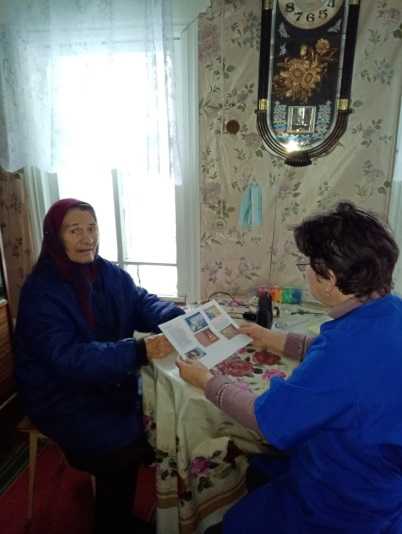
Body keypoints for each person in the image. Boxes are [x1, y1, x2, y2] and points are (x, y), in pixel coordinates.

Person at [177, 202, 402, 534]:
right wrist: (274, 339)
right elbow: (348, 359)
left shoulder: (341, 353)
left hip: (341, 505)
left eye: (307, 264)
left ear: (330, 279)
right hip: (385, 488)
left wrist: (208, 380)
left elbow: (267, 419)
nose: (306, 272)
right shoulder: (390, 309)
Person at [15, 198, 184, 534]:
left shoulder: (107, 272)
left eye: (91, 228)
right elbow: (68, 358)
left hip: (102, 380)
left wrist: (178, 319)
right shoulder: (41, 290)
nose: (87, 238)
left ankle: (116, 514)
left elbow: (141, 302)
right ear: (55, 237)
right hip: (59, 395)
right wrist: (138, 351)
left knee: (147, 429)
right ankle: (111, 524)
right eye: (74, 230)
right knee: (121, 450)